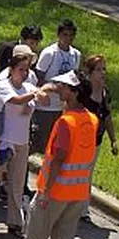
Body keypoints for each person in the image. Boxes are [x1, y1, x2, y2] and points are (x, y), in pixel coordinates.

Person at [0, 45, 45, 238]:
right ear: (12, 67)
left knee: (17, 183)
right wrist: (35, 94)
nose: (25, 72)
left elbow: (43, 99)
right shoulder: (3, 83)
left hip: (22, 143)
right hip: (4, 141)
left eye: (27, 67)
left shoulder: (30, 83)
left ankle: (15, 222)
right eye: (21, 68)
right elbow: (17, 100)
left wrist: (45, 92)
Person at [28, 70, 99, 239]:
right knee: (64, 237)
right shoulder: (92, 119)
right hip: (77, 192)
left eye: (64, 87)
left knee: (36, 235)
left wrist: (45, 192)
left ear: (74, 93)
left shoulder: (65, 122)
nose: (60, 88)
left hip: (55, 192)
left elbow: (59, 157)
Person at [33, 19, 82, 154]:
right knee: (41, 142)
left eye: (71, 35)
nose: (68, 38)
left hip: (63, 106)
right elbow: (39, 76)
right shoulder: (49, 53)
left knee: (56, 143)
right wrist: (46, 91)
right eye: (65, 35)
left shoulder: (76, 55)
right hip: (46, 105)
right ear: (59, 35)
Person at [80, 55, 118, 222]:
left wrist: (113, 140)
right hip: (79, 142)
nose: (102, 73)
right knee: (74, 173)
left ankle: (82, 210)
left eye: (104, 69)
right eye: (98, 70)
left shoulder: (105, 92)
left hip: (96, 142)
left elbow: (108, 117)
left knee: (87, 175)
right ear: (89, 73)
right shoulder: (82, 91)